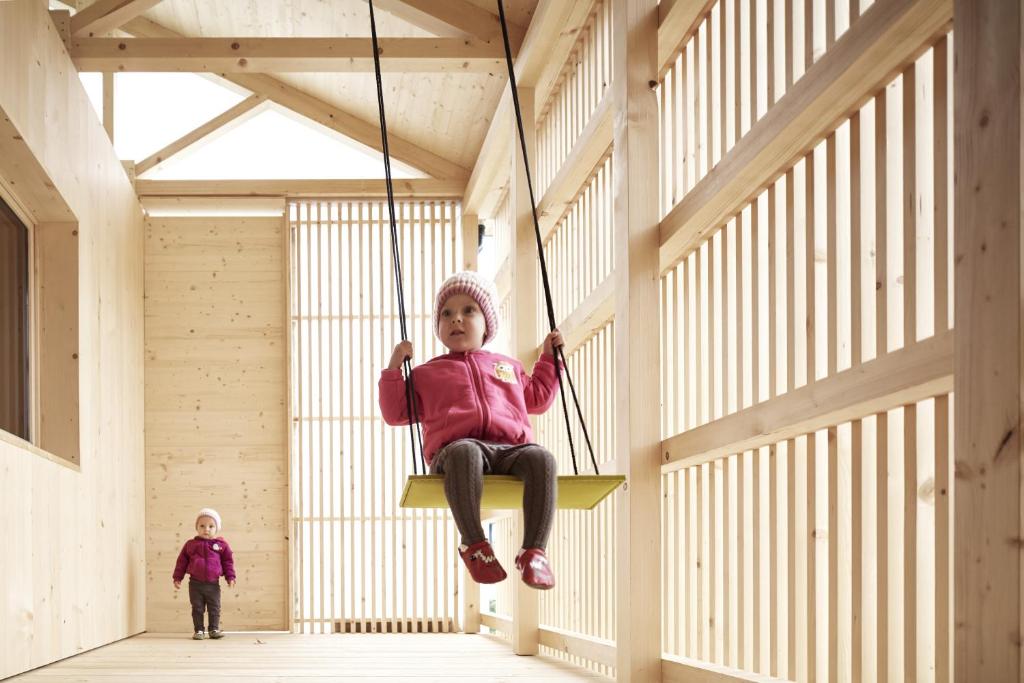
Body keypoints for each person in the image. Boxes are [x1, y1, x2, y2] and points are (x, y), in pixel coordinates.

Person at [379, 271, 563, 590]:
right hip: (454, 453)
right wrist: (395, 368)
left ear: (487, 324)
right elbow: (396, 412)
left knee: (542, 458)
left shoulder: (507, 367)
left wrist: (549, 359)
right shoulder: (428, 373)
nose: (456, 319)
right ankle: (474, 544)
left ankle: (534, 551)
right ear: (438, 326)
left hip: (509, 450)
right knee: (466, 450)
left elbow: (538, 398)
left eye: (468, 311)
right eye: (447, 314)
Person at [172, 507, 236, 639]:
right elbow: (181, 562)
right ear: (197, 527)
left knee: (214, 608)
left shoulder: (221, 545)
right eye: (202, 526)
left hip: (213, 584)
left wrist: (230, 577)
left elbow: (228, 562)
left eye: (211, 526)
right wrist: (178, 577)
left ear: (216, 529)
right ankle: (199, 630)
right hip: (195, 584)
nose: (206, 529)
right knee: (197, 608)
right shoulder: (191, 545)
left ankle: (214, 629)